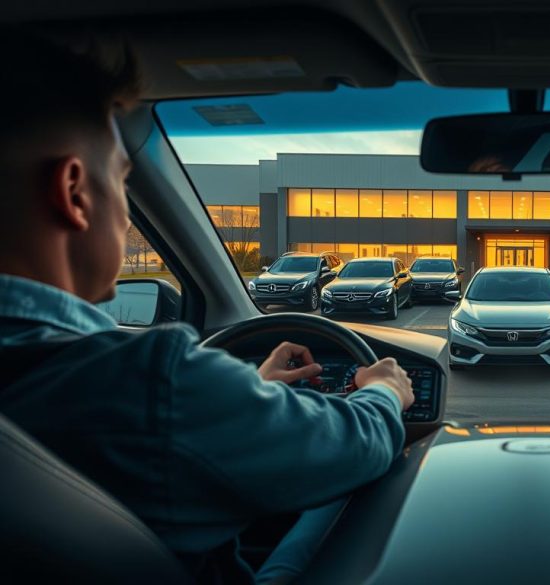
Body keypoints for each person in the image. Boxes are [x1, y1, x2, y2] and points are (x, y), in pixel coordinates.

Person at [0, 32, 414, 583]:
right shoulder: (151, 381)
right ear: (74, 192)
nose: (124, 218)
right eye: (122, 182)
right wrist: (385, 390)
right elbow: (355, 444)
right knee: (349, 497)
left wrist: (247, 395)